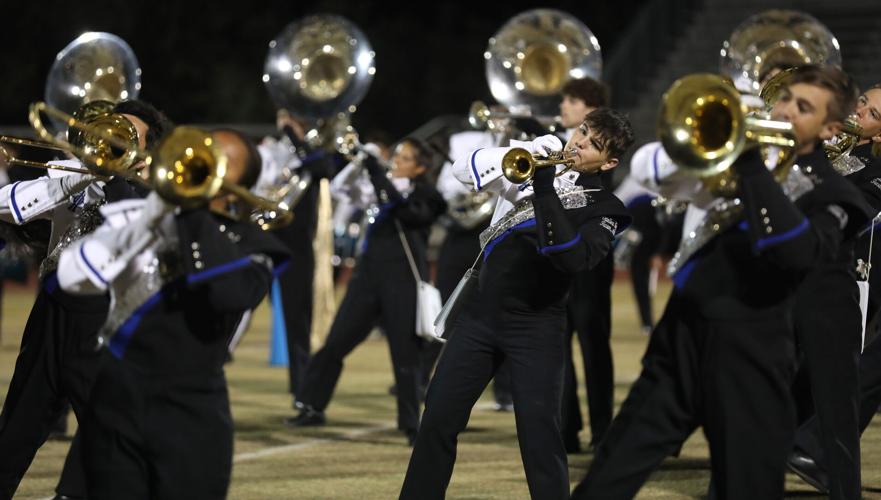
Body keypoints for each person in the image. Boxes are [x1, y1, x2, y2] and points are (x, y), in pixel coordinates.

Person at [571, 64, 871, 499]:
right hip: (681, 338)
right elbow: (649, 169)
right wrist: (726, 145)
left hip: (752, 355)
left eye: (803, 107)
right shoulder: (733, 162)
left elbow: (795, 252)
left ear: (829, 129)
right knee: (607, 477)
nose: (785, 110)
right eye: (786, 98)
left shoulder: (836, 194)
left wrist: (750, 166)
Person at [400, 108, 634, 499]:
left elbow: (573, 258)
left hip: (536, 328)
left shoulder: (605, 207)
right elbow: (462, 170)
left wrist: (545, 190)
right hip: (480, 317)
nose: (579, 143)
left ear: (608, 162)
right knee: (438, 417)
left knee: (540, 438)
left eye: (594, 144)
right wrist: (524, 151)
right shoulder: (529, 166)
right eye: (582, 131)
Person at [56, 128, 289, 499]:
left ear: (238, 186)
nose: (203, 160)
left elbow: (228, 293)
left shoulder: (254, 245)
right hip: (115, 399)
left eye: (222, 160)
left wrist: (191, 214)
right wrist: (150, 217)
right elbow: (72, 276)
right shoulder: (142, 218)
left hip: (190, 411)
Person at [0, 99, 172, 500]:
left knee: (110, 432)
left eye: (127, 136)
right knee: (17, 428)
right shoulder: (73, 174)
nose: (113, 140)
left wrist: (114, 178)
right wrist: (78, 177)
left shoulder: (154, 196)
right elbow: (5, 204)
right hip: (51, 314)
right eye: (110, 130)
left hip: (106, 322)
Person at [286, 138, 446, 445]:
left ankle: (411, 424)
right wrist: (361, 161)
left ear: (420, 168)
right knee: (335, 344)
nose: (396, 160)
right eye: (396, 154)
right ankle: (311, 406)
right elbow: (339, 189)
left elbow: (407, 213)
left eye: (405, 158)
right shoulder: (379, 187)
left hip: (403, 283)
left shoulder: (429, 196)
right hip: (366, 279)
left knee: (405, 355)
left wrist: (377, 173)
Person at [788, 83, 881, 497]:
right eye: (862, 103)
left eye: (873, 115)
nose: (859, 113)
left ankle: (814, 453)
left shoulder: (875, 172)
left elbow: (850, 214)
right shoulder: (831, 150)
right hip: (792, 277)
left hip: (840, 283)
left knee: (837, 387)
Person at [555, 77, 620, 452]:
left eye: (572, 100)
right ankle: (566, 429)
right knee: (558, 348)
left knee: (594, 346)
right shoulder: (558, 141)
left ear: (591, 109)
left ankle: (602, 430)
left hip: (591, 262)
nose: (564, 106)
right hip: (559, 261)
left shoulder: (603, 145)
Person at [256, 109, 336, 406]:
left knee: (297, 317)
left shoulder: (314, 152)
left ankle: (300, 390)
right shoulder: (268, 149)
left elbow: (323, 169)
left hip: (296, 244)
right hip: (263, 239)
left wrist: (294, 136)